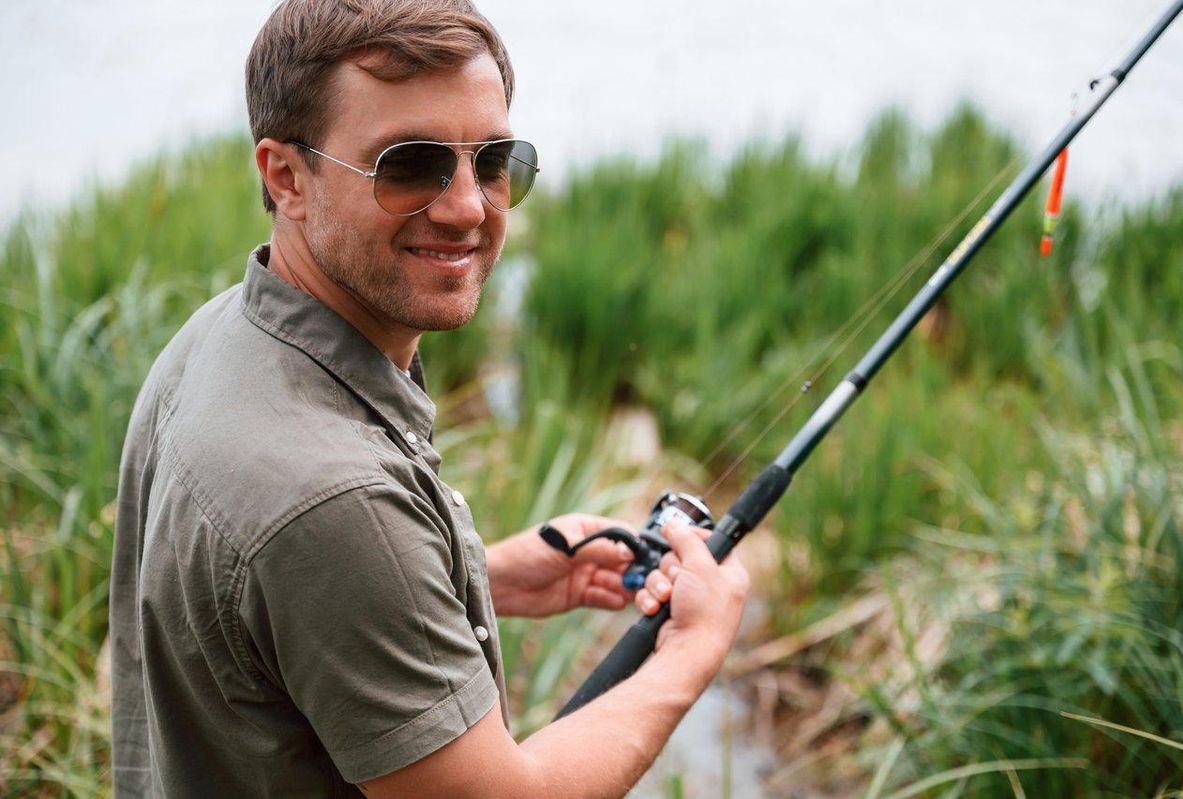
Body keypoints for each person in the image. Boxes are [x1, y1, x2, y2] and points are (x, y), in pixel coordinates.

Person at [108, 1, 749, 796]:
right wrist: (692, 650)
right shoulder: (335, 504)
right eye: (408, 165)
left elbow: (272, 612)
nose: (467, 206)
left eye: (493, 161)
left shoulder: (214, 338)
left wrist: (479, 574)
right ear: (286, 176)